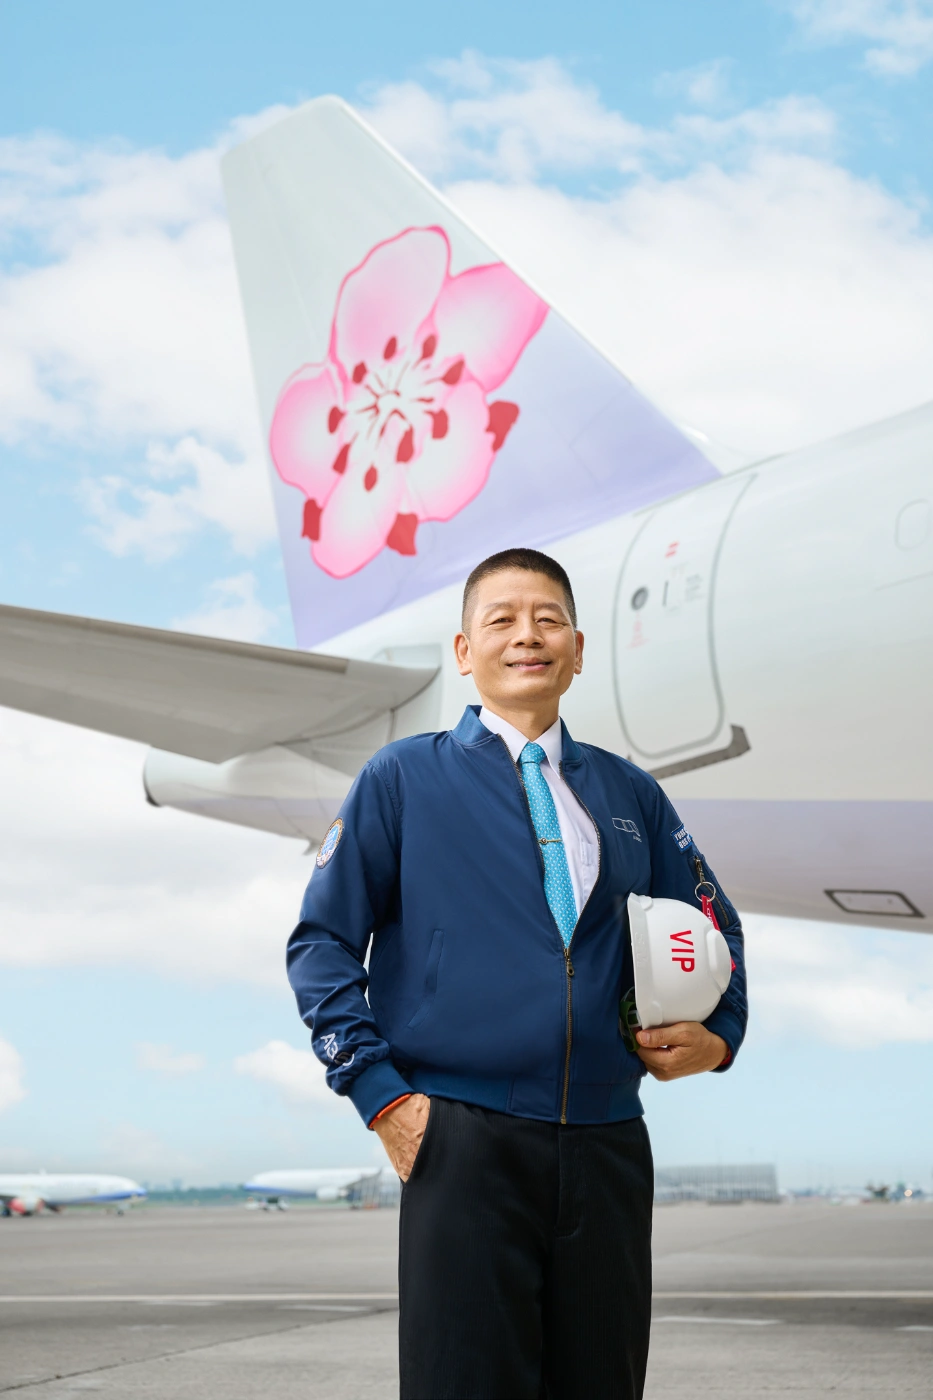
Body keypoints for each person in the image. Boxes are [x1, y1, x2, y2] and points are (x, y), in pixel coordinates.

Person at [287, 547, 748, 1400]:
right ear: (465, 653)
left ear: (577, 650)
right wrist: (381, 1097)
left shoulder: (630, 793)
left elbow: (714, 922)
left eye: (548, 620)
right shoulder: (402, 778)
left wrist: (718, 1037)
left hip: (609, 1140)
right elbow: (320, 945)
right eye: (500, 620)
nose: (526, 636)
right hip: (461, 1137)